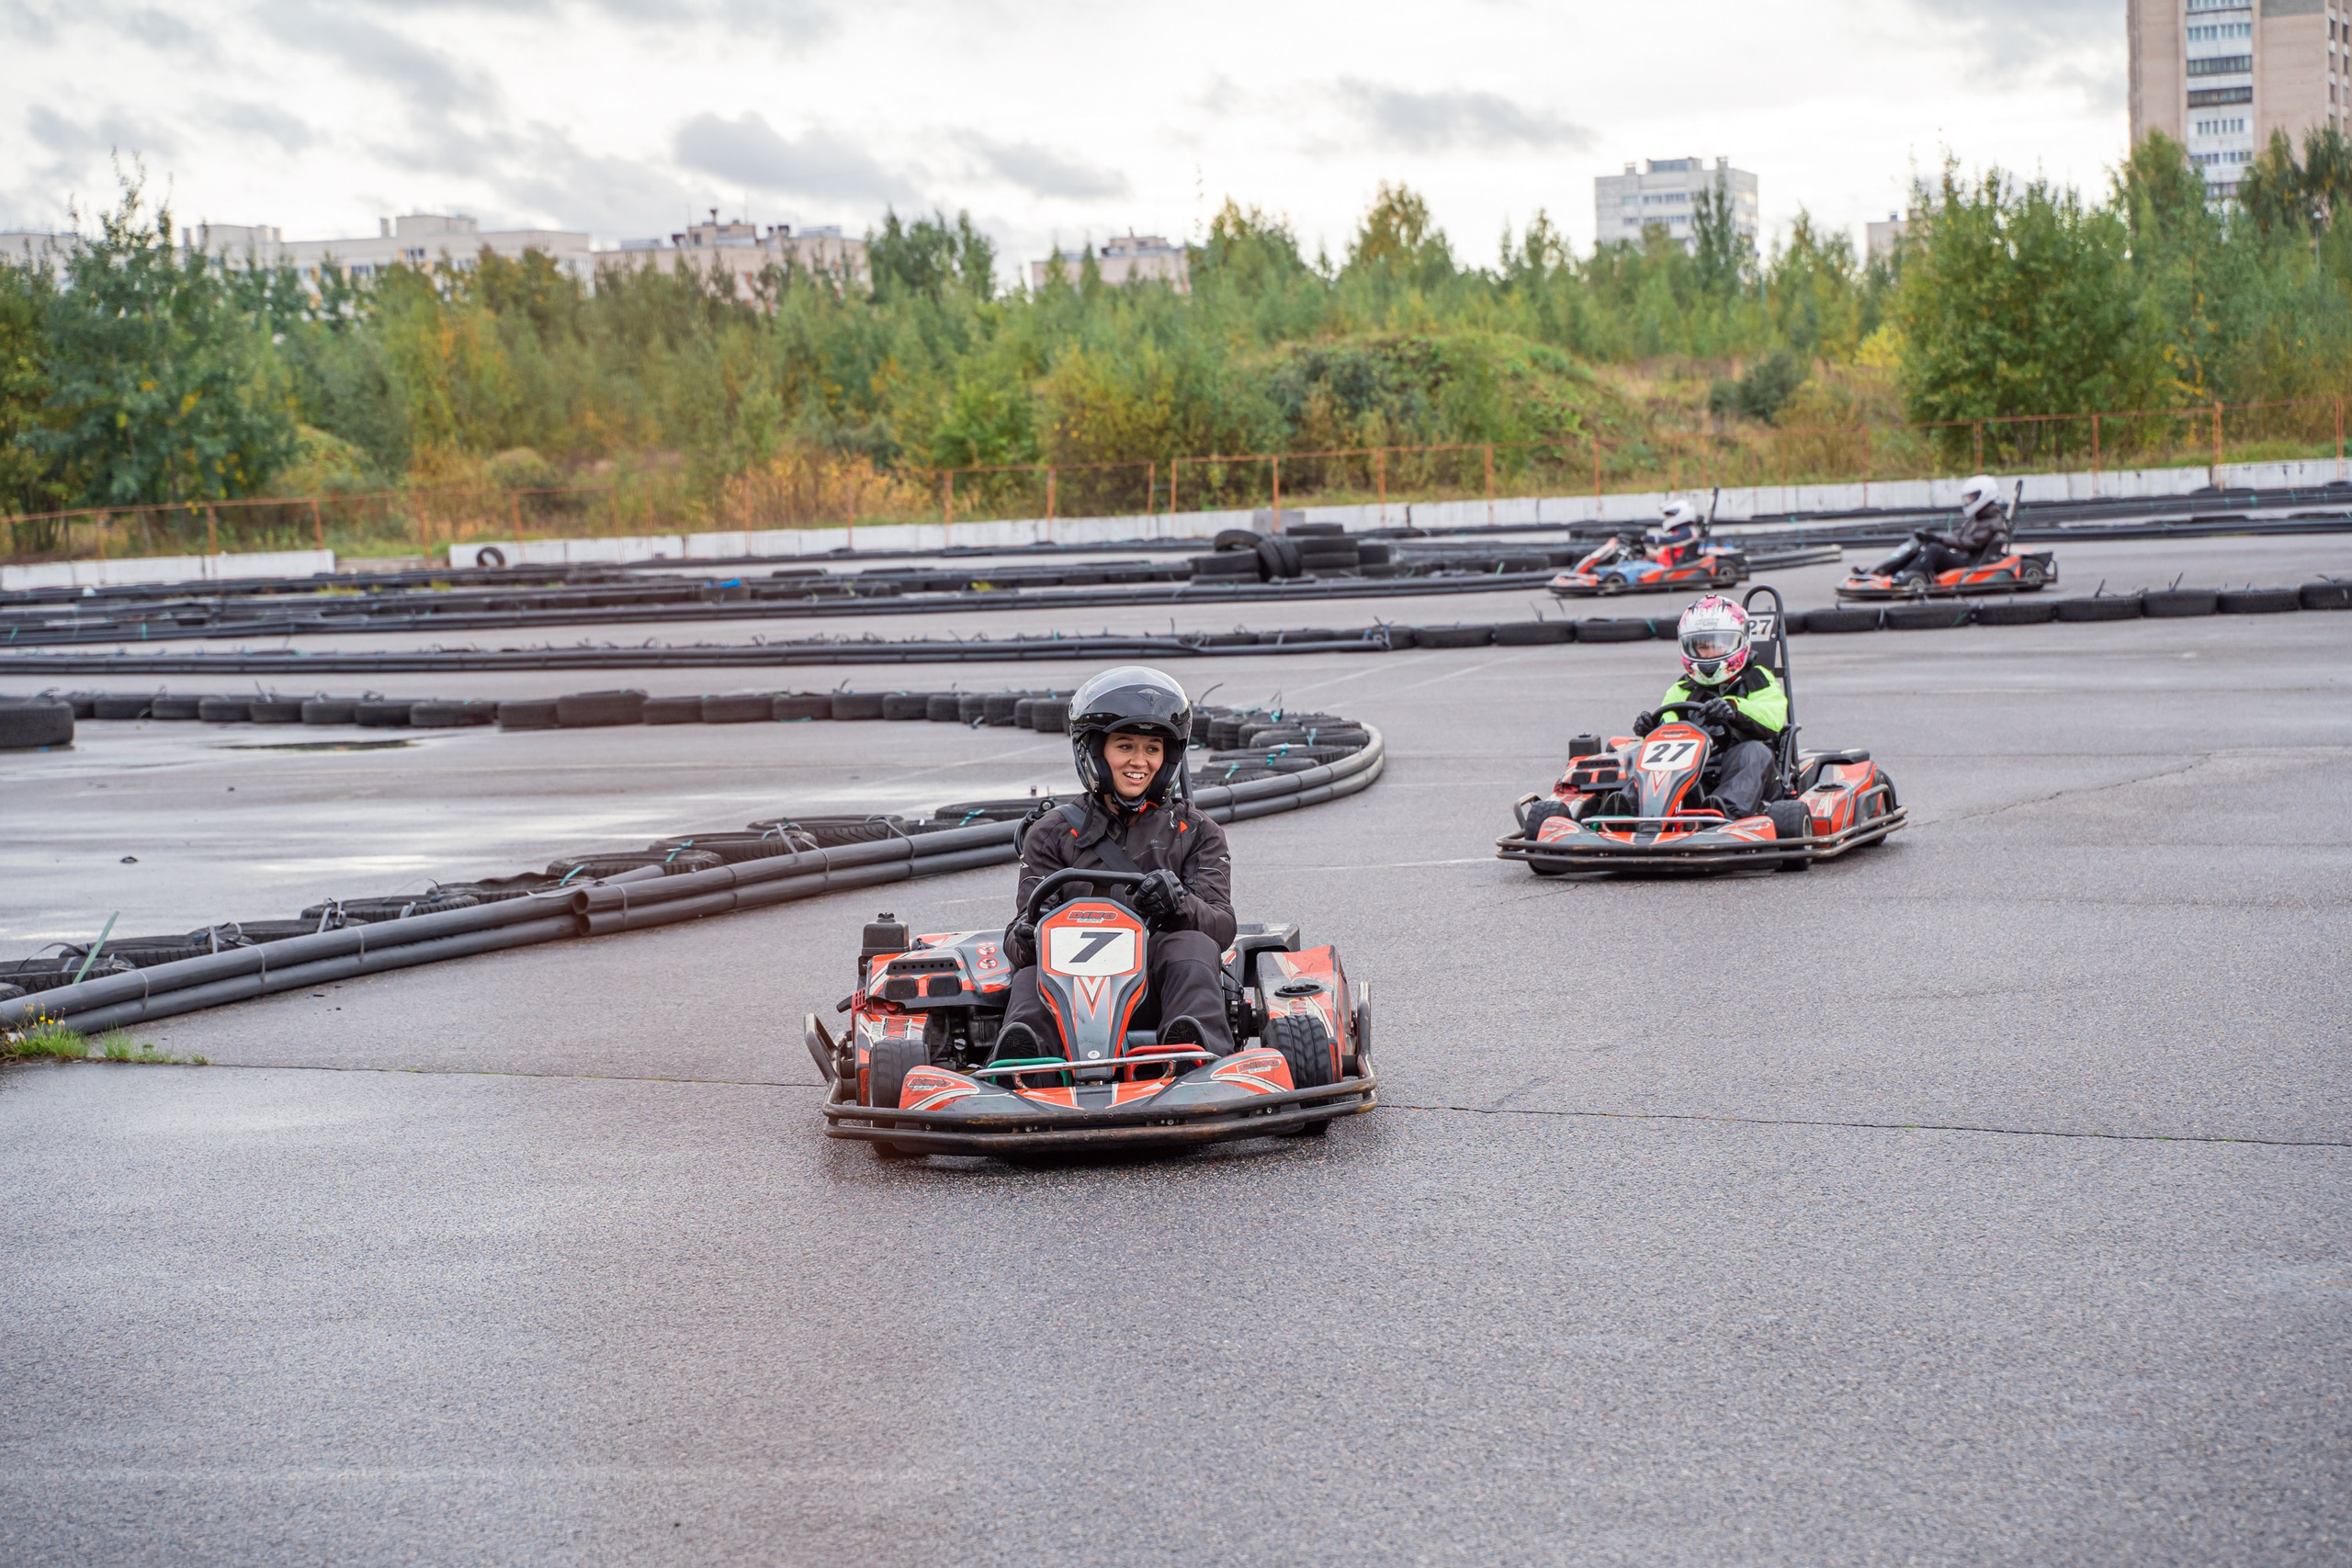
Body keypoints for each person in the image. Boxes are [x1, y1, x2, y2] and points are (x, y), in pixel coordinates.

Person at [994, 665, 1238, 1065]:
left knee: (1192, 946)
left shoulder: (1196, 831)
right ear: (1095, 752)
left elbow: (1222, 928)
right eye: (1125, 746)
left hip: (1156, 989)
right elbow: (1018, 941)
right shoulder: (1051, 833)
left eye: (1152, 749)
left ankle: (1194, 1053)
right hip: (1069, 992)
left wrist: (1177, 904)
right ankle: (1023, 1064)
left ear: (1168, 757)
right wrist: (1030, 933)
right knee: (1031, 972)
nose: (1139, 762)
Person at [1631, 594, 1788, 819]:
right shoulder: (1684, 687)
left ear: (1740, 642)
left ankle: (1723, 813)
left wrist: (1734, 709)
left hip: (1752, 778)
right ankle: (1629, 808)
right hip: (1694, 777)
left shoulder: (1758, 679)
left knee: (1753, 751)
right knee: (1641, 754)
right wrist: (1652, 730)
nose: (1711, 653)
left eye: (1718, 645)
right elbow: (1669, 726)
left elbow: (1773, 718)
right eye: (1703, 646)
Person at [1904, 474, 2009, 581]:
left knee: (1935, 550)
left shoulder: (1993, 521)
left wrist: (1941, 540)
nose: (1969, 501)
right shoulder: (1978, 518)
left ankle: (1908, 578)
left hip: (1972, 564)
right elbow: (1958, 535)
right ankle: (1903, 573)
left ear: (1982, 496)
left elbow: (1973, 543)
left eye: (1971, 498)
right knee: (1929, 546)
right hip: (1965, 557)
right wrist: (1935, 537)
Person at [1645, 499, 1706, 570]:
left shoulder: (1685, 532)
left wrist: (1648, 538)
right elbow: (1665, 551)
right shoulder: (1680, 531)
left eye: (1669, 516)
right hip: (1664, 566)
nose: (1667, 519)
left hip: (1669, 569)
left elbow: (1672, 541)